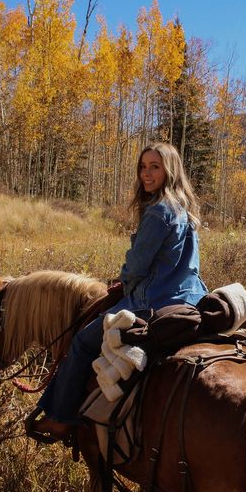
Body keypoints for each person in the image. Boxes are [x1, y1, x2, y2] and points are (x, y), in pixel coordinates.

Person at [30, 142, 208, 441]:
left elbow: (137, 266)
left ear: (170, 170)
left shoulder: (158, 212)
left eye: (155, 166)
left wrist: (123, 280)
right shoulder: (185, 210)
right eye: (143, 167)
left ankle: (59, 418)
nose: (146, 174)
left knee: (82, 343)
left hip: (152, 302)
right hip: (192, 300)